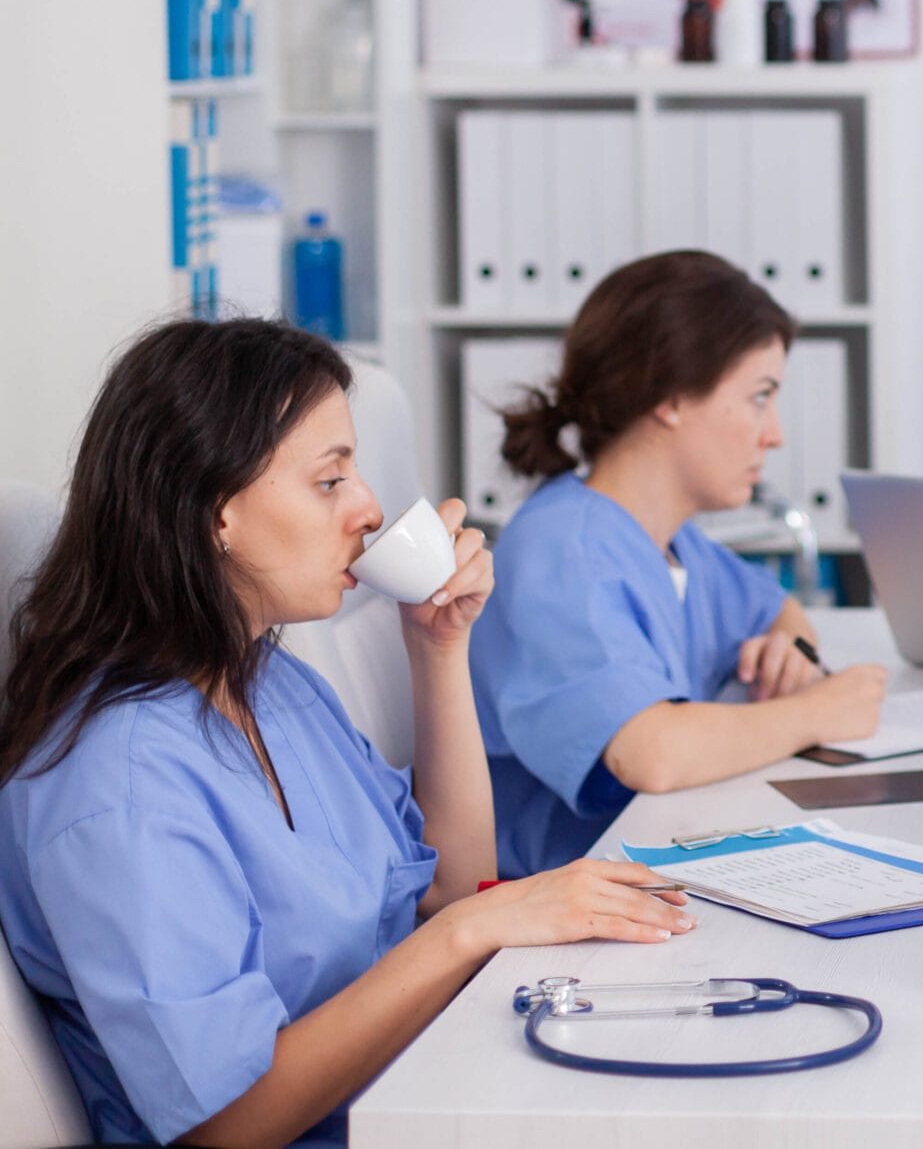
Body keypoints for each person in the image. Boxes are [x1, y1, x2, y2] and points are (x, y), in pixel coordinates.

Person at [0, 319, 693, 1146]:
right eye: (330, 481)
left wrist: (439, 648)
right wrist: (469, 931)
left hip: (424, 1086)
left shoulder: (270, 683)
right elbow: (225, 1125)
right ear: (216, 513)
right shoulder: (117, 783)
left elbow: (453, 879)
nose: (369, 508)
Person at [474, 250, 887, 876]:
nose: (772, 434)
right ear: (669, 395)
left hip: (648, 869)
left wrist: (787, 644)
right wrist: (822, 710)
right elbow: (651, 753)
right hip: (546, 909)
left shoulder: (671, 542)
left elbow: (780, 609)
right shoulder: (563, 552)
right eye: (758, 397)